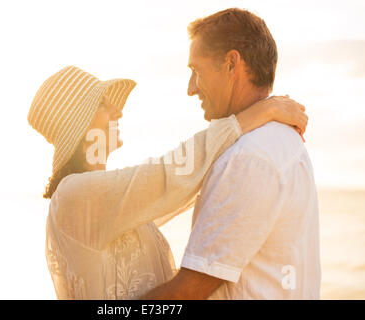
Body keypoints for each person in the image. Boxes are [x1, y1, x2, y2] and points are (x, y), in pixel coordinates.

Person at [27, 65, 307, 299]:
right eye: (102, 103)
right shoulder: (74, 196)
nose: (117, 111)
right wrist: (260, 113)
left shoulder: (104, 202)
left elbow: (176, 186)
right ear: (80, 122)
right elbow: (171, 174)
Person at [141, 8, 320, 300]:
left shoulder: (248, 156)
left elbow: (188, 293)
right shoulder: (282, 140)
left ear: (231, 64)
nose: (190, 89)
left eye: (196, 71)